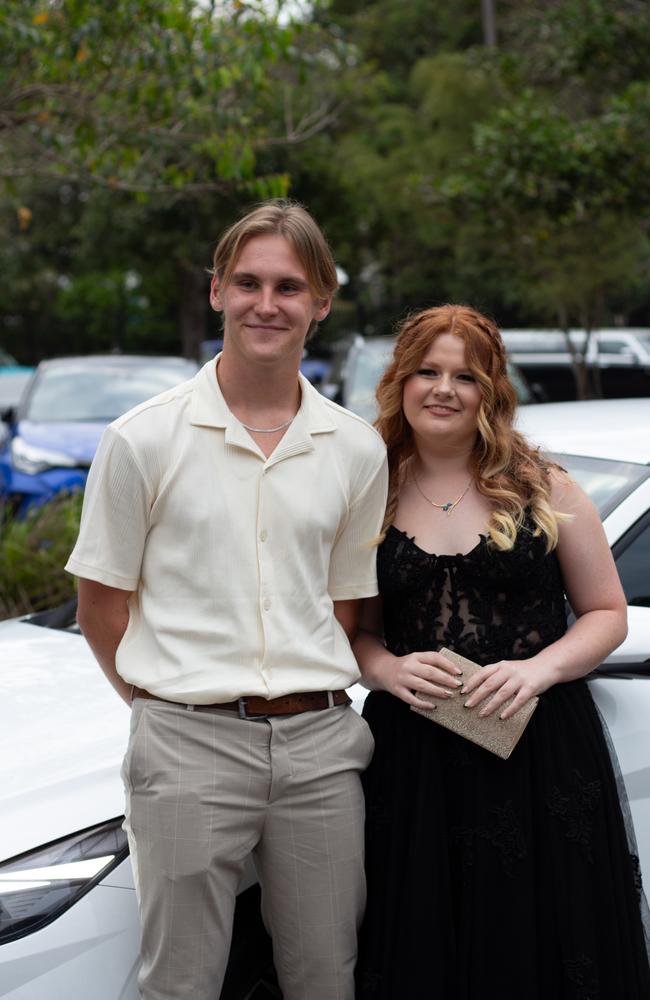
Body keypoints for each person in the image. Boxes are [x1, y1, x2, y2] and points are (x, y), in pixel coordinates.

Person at [65, 199, 388, 1000]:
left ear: (321, 302)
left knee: (325, 978)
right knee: (179, 984)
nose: (266, 304)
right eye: (247, 282)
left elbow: (347, 608)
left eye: (289, 286)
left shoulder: (356, 446)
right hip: (187, 743)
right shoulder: (142, 438)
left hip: (320, 747)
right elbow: (100, 606)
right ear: (217, 292)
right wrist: (163, 711)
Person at [353, 304, 650, 999]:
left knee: (542, 948)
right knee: (424, 947)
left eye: (466, 375)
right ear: (400, 380)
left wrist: (538, 668)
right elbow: (356, 635)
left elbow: (607, 614)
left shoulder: (543, 487)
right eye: (427, 371)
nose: (444, 389)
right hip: (413, 762)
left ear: (492, 390)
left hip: (538, 754)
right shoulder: (371, 493)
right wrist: (389, 669)